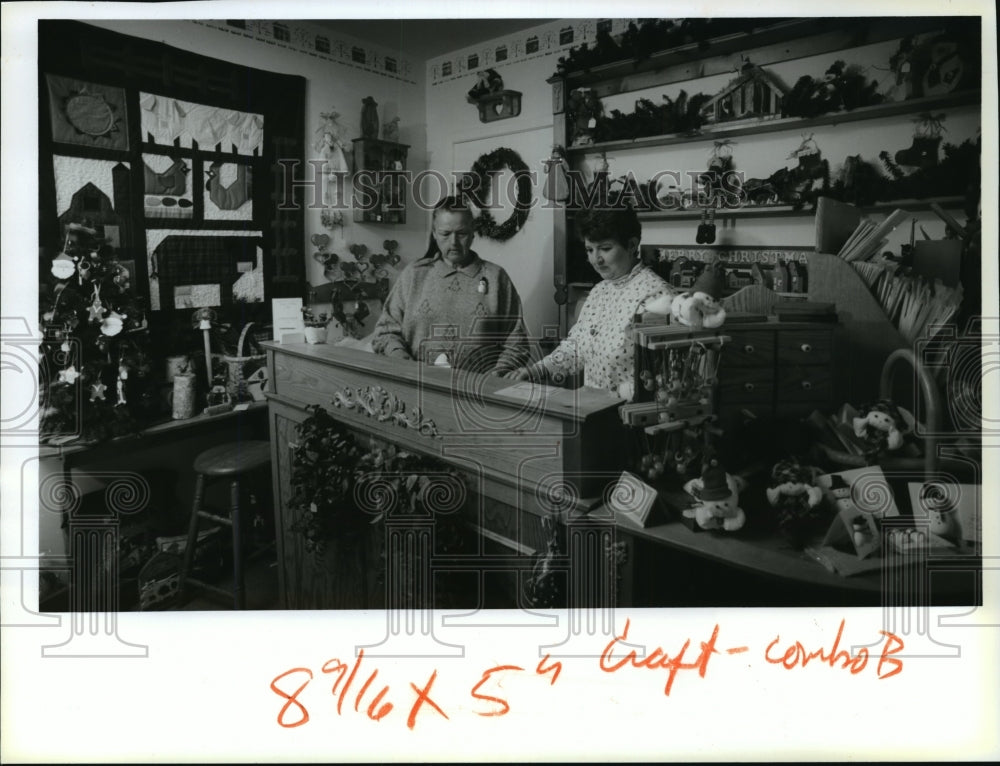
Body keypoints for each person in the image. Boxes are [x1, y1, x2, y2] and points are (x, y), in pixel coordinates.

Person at [505, 204, 675, 398]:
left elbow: (667, 375)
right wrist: (536, 371)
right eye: (589, 249)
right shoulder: (599, 291)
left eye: (605, 248)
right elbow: (576, 347)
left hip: (635, 417)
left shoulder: (657, 296)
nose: (596, 259)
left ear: (632, 245)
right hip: (594, 410)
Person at [372, 196, 529, 374]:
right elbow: (384, 332)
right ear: (434, 233)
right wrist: (399, 356)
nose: (453, 243)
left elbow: (517, 342)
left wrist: (496, 375)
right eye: (445, 234)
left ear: (472, 232)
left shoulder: (496, 277)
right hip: (416, 384)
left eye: (461, 233)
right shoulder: (414, 275)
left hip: (477, 391)